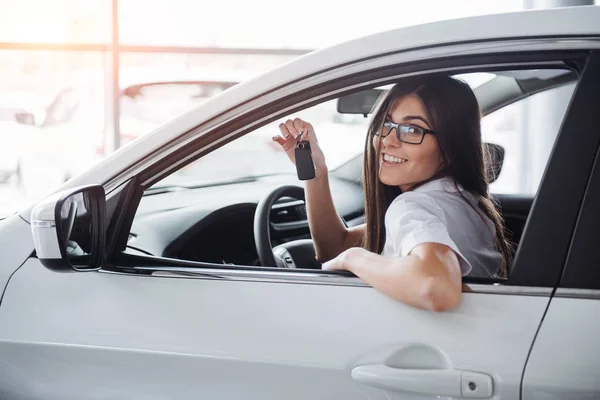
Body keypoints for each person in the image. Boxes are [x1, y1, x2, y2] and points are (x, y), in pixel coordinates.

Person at [272, 75, 512, 312]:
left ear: (450, 146)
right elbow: (335, 247)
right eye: (386, 125)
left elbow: (435, 287)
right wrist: (316, 172)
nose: (388, 140)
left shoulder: (413, 206)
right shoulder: (464, 202)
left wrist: (353, 259)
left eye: (411, 130)